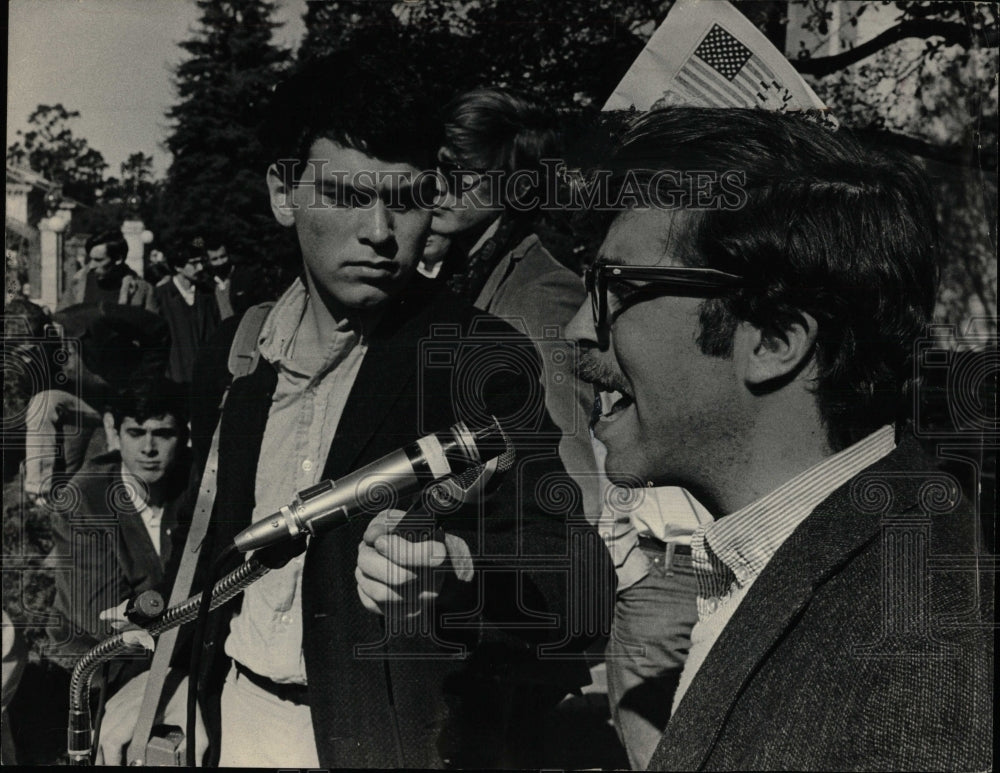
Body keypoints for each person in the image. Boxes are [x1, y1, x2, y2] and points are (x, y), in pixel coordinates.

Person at [97, 50, 611, 769]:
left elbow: (578, 580)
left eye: (405, 199)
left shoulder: (476, 355)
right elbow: (197, 539)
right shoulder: (238, 348)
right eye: (346, 194)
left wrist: (457, 569)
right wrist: (163, 666)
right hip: (227, 721)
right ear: (284, 192)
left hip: (391, 744)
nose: (380, 230)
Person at [567, 107, 992, 770]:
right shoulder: (797, 555)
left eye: (616, 288)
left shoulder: (918, 653)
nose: (577, 329)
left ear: (773, 340)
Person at [432, 86, 602, 522]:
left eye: (457, 172)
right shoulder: (460, 271)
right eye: (432, 165)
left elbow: (569, 469)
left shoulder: (543, 292)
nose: (434, 185)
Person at [47, 378, 192, 689]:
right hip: (97, 666)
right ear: (114, 431)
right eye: (136, 433)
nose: (149, 449)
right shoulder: (84, 500)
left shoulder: (194, 490)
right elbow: (103, 617)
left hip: (175, 656)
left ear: (184, 435)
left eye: (163, 434)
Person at [153, 239, 220, 387]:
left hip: (205, 378)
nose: (200, 267)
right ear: (178, 267)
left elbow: (215, 333)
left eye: (201, 262)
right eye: (194, 263)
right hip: (174, 379)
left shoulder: (207, 294)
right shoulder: (160, 296)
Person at [58, 230, 157, 313]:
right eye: (90, 259)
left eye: (99, 260)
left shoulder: (143, 290)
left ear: (118, 259)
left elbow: (153, 330)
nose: (91, 266)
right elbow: (61, 320)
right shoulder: (77, 284)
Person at [204, 235, 235, 320]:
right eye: (215, 259)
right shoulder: (207, 287)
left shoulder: (246, 277)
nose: (220, 262)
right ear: (209, 262)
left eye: (223, 257)